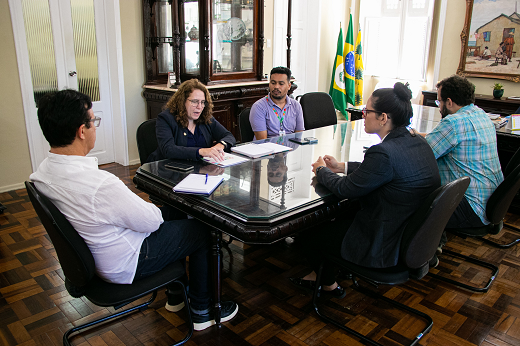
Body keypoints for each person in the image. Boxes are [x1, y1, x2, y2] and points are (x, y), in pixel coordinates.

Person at [30, 89, 238, 331]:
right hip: (126, 260)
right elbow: (151, 221)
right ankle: (202, 311)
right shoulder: (99, 184)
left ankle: (176, 295)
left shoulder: (41, 173)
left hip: (94, 256)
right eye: (93, 120)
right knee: (202, 230)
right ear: (82, 131)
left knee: (174, 216)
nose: (95, 126)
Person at [290, 83, 441, 295]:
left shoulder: (384, 153)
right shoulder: (416, 142)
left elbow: (345, 189)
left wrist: (322, 171)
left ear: (383, 118)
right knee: (342, 215)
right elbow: (384, 171)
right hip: (411, 235)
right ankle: (332, 269)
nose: (363, 116)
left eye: (367, 111)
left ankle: (329, 286)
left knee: (311, 232)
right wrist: (341, 167)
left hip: (384, 242)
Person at [426, 75, 504, 251]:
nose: (439, 106)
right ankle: (436, 241)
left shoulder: (453, 123)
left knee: (409, 192)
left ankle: (422, 252)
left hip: (472, 209)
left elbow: (421, 156)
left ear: (450, 102)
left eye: (439, 101)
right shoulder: (481, 115)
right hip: (490, 204)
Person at [147, 78, 236, 163]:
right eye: (195, 101)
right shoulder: (165, 118)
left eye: (202, 102)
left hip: (199, 169)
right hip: (169, 171)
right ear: (182, 101)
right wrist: (201, 151)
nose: (199, 107)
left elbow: (229, 136)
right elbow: (168, 150)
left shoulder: (205, 118)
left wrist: (219, 146)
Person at [249, 66, 304, 139]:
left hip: (290, 148)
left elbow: (299, 136)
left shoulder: (296, 105)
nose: (276, 87)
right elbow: (262, 141)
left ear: (289, 86)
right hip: (268, 149)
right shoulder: (259, 107)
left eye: (281, 84)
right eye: (273, 83)